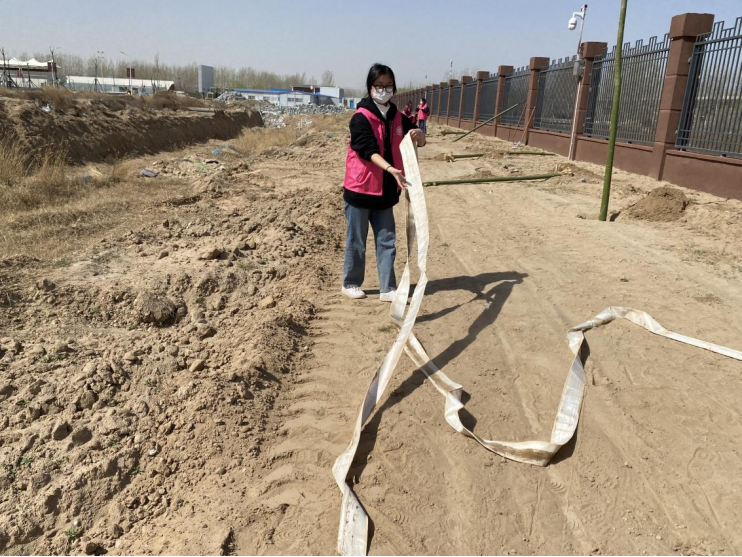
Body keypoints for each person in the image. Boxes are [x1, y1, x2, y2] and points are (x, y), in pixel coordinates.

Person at [341, 63, 426, 301]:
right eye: (379, 85)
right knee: (357, 241)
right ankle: (350, 283)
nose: (384, 90)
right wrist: (390, 169)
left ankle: (387, 288)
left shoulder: (398, 117)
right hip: (361, 189)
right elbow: (367, 149)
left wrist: (420, 135)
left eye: (388, 86)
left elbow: (418, 140)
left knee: (387, 240)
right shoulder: (361, 117)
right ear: (370, 87)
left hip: (386, 191)